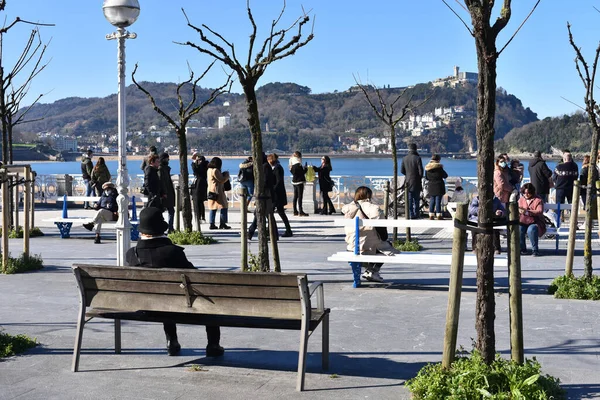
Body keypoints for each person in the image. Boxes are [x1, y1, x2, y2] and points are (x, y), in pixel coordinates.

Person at [125, 207, 224, 357]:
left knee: (165, 297)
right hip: (175, 306)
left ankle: (172, 341)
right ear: (161, 229)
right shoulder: (173, 252)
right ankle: (213, 344)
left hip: (146, 306)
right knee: (206, 298)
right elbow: (197, 279)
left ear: (142, 231)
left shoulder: (131, 254)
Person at [342, 186, 399, 283]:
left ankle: (369, 271)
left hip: (352, 245)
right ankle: (373, 270)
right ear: (369, 196)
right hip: (368, 246)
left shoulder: (348, 209)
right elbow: (383, 232)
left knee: (374, 245)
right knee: (387, 248)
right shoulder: (374, 208)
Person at [248, 154, 278, 239]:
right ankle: (272, 234)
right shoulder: (265, 166)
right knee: (264, 214)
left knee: (260, 213)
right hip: (266, 194)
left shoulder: (264, 167)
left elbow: (264, 181)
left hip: (265, 195)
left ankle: (252, 232)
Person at [518, 183, 546, 257]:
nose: (526, 194)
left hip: (536, 221)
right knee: (519, 229)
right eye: (524, 193)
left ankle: (535, 250)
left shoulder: (538, 200)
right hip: (523, 221)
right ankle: (522, 249)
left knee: (531, 229)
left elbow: (539, 211)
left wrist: (527, 212)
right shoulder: (521, 200)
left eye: (528, 193)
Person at [269, 153, 293, 237]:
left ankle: (274, 231)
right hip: (277, 194)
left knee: (272, 212)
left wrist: (272, 189)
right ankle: (287, 230)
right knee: (280, 212)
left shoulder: (278, 168)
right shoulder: (276, 167)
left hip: (277, 195)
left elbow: (279, 181)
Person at [400, 143, 424, 219]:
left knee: (409, 199)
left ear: (408, 149)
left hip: (407, 181)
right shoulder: (418, 158)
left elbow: (401, 170)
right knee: (416, 199)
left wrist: (407, 175)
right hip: (416, 181)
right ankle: (416, 213)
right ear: (416, 149)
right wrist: (419, 177)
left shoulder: (404, 158)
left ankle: (411, 214)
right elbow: (421, 171)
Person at [207, 157, 231, 230]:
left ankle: (212, 223)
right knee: (224, 206)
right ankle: (223, 223)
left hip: (211, 190)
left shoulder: (209, 170)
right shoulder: (215, 170)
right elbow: (222, 180)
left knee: (212, 208)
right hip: (218, 191)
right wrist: (227, 175)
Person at [425, 154, 448, 220]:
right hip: (438, 185)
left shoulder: (427, 168)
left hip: (431, 185)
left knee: (432, 200)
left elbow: (426, 177)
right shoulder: (439, 167)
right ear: (438, 160)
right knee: (438, 201)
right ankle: (438, 215)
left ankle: (431, 215)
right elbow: (445, 175)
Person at [158, 152, 175, 233]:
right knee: (168, 210)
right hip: (165, 193)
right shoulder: (161, 169)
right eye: (167, 158)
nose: (169, 160)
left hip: (167, 193)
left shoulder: (164, 168)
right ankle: (169, 228)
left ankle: (169, 227)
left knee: (169, 210)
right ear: (164, 159)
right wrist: (164, 193)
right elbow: (162, 182)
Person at [191, 152, 209, 227]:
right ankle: (201, 216)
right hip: (200, 184)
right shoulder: (205, 165)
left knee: (198, 201)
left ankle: (200, 216)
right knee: (200, 201)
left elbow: (195, 171)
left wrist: (194, 163)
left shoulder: (202, 166)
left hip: (199, 185)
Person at [289, 151, 308, 216]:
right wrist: (306, 168)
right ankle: (301, 211)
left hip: (294, 181)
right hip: (299, 181)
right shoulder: (298, 164)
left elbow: (293, 172)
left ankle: (295, 211)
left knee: (295, 196)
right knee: (300, 197)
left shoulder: (292, 165)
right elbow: (302, 172)